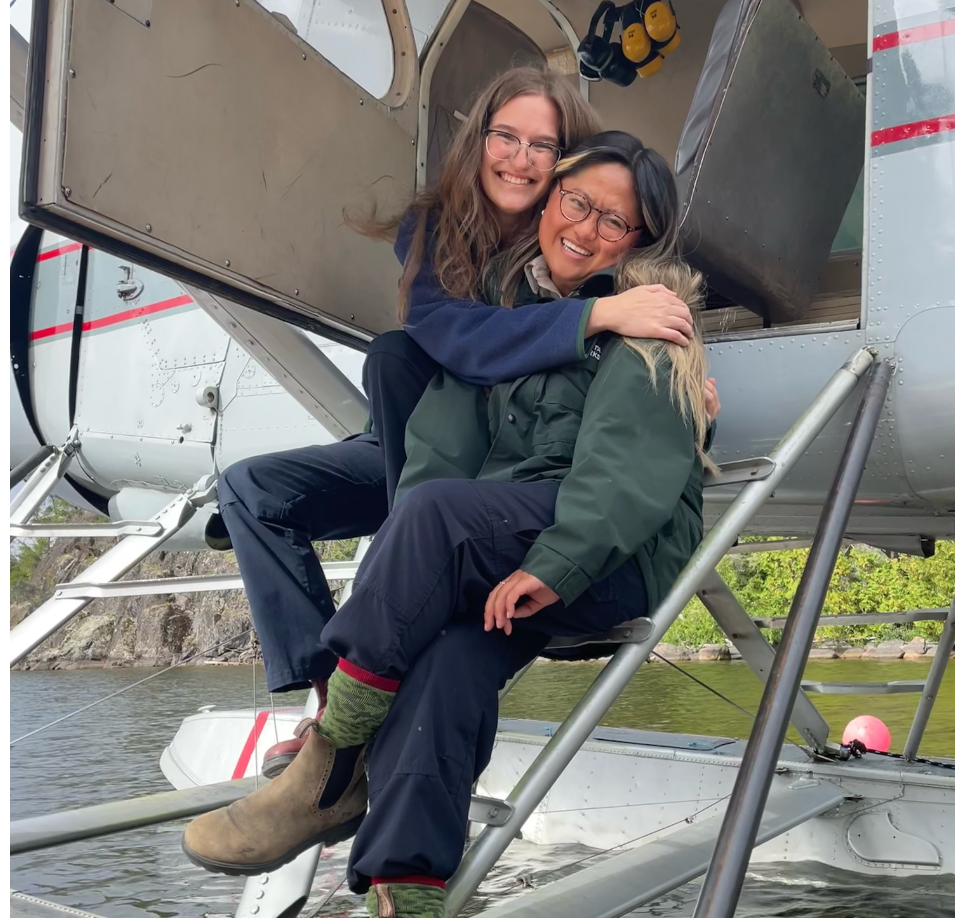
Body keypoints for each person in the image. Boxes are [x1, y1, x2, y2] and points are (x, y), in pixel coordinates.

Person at [187, 133, 712, 918]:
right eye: (575, 201)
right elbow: (435, 461)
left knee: (427, 524)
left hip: (606, 557)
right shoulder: (501, 326)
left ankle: (330, 761)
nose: (586, 228)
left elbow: (628, 470)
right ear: (547, 202)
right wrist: (421, 580)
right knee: (442, 675)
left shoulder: (647, 321)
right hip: (503, 551)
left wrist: (555, 564)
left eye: (614, 219)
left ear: (637, 241)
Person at [232, 70, 707, 776]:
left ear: (567, 163)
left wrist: (683, 365)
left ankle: (410, 590)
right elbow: (459, 341)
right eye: (504, 137)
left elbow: (659, 283)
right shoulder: (437, 229)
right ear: (477, 139)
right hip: (421, 447)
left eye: (542, 146)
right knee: (258, 484)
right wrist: (596, 316)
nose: (519, 160)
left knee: (431, 509)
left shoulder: (589, 231)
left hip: (509, 474)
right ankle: (333, 686)